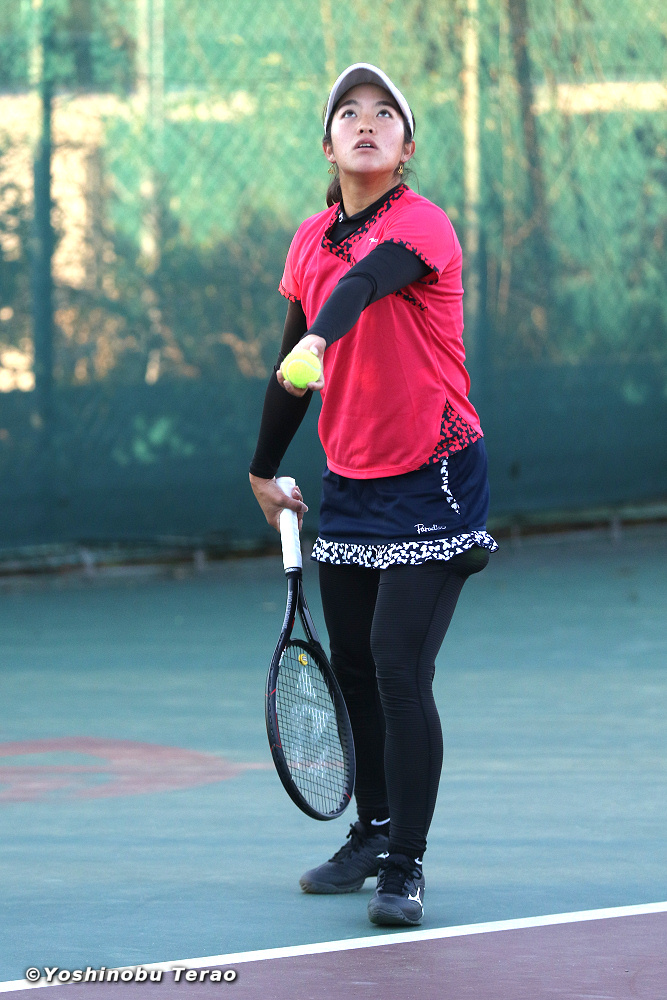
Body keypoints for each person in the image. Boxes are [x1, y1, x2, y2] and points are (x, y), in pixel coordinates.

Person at [249, 63, 497, 927]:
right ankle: (373, 830)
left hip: (436, 474)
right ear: (327, 144)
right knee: (352, 666)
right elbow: (289, 368)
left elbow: (362, 285)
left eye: (384, 113)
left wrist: (320, 337)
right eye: (348, 113)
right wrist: (261, 469)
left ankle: (404, 863)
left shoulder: (421, 224)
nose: (365, 122)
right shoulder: (307, 240)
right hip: (351, 481)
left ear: (405, 144)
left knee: (396, 666)